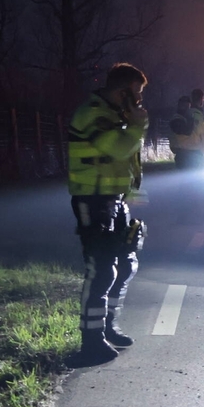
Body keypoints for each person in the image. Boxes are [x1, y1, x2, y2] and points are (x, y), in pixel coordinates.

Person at [67, 63, 149, 365]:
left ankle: (107, 327)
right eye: (136, 94)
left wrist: (134, 195)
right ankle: (91, 343)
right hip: (93, 200)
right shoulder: (93, 113)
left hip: (115, 200)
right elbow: (117, 149)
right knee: (101, 270)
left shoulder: (115, 114)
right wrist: (138, 125)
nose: (139, 100)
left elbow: (127, 160)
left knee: (126, 265)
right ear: (121, 91)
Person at [169, 95, 200, 169]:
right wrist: (191, 118)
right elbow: (186, 131)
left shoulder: (183, 118)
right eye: (184, 105)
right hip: (182, 153)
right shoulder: (176, 118)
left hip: (190, 153)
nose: (186, 108)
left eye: (187, 106)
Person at [190, 88, 204, 159]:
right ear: (201, 99)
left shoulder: (188, 112)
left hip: (189, 150)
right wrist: (203, 148)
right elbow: (200, 134)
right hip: (195, 152)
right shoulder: (197, 115)